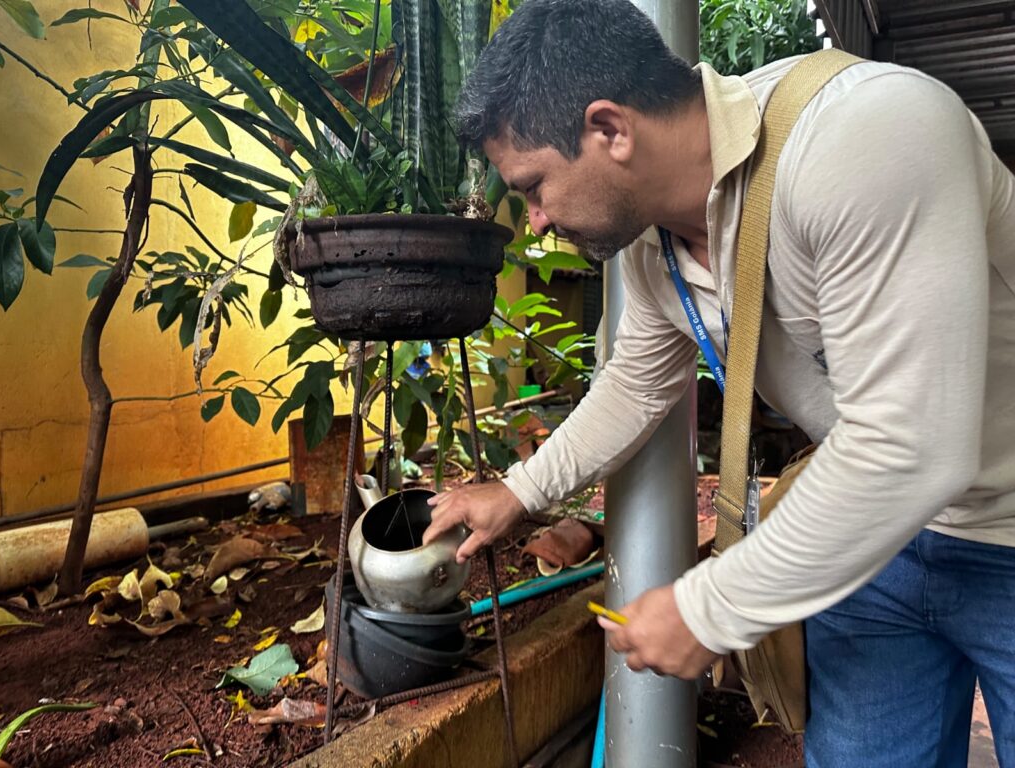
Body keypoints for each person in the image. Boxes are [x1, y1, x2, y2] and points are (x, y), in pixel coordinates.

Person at [421, 0, 1015, 764]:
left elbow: (910, 446)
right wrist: (519, 490)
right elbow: (635, 385)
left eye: (535, 186)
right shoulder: (655, 251)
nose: (534, 221)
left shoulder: (864, 134)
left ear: (610, 129)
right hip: (881, 548)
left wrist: (708, 607)